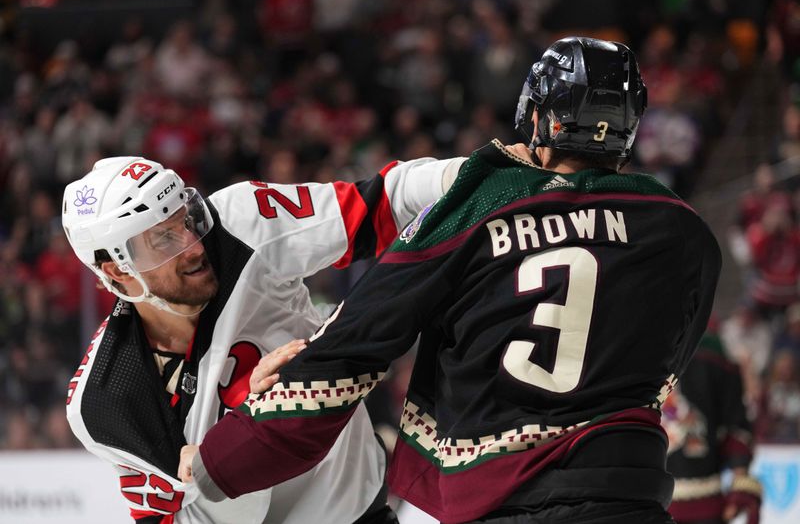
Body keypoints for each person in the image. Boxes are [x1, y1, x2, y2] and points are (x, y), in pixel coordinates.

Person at [181, 37, 722, 523]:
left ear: (538, 115)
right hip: (630, 494)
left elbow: (360, 339)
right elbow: (668, 363)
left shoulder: (484, 199)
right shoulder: (682, 227)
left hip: (507, 497)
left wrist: (223, 459)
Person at [62, 153, 462, 523]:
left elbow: (384, 201)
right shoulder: (102, 401)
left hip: (359, 513)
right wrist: (248, 430)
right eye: (162, 239)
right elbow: (193, 512)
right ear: (117, 271)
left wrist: (483, 172)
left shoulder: (240, 223)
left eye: (184, 220)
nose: (192, 246)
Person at [663, 331, 762, 524]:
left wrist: (739, 482)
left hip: (704, 500)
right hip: (647, 502)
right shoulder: (632, 351)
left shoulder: (711, 353)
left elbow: (734, 426)